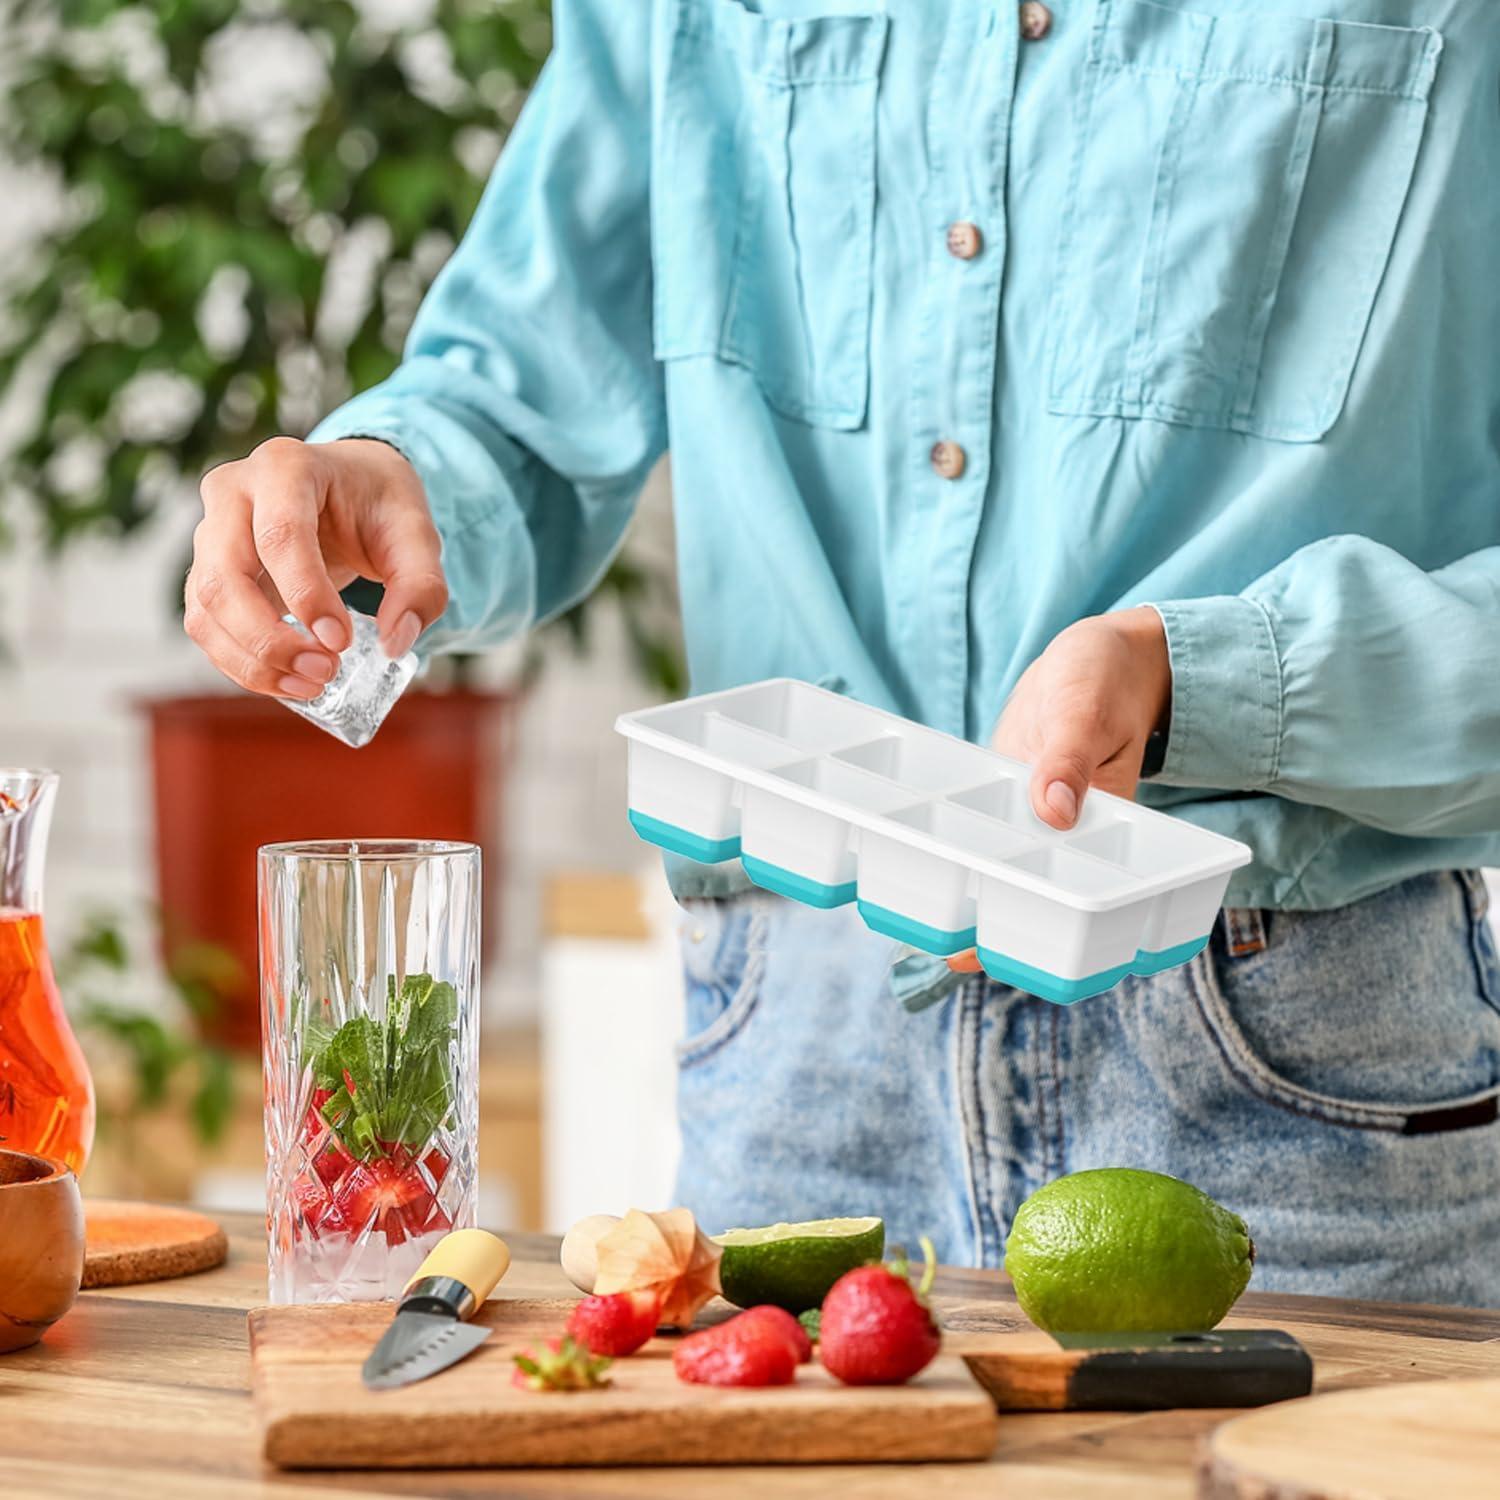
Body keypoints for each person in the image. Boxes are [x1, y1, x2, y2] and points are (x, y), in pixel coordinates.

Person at [184, 0, 1500, 1304]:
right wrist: (388, 473)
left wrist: (1206, 679)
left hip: (1287, 1057)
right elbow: (525, 390)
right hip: (796, 1040)